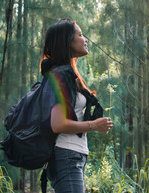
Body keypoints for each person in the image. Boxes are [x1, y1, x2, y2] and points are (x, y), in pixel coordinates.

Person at [40, 18, 113, 193]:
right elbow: (58, 124)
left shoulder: (68, 73)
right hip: (66, 155)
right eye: (80, 35)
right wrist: (94, 125)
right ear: (67, 42)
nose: (85, 39)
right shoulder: (59, 75)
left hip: (73, 155)